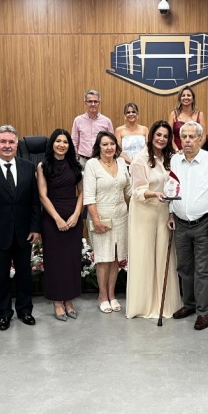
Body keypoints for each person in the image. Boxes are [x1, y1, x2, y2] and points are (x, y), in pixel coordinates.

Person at [0, 125, 42, 331]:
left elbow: (34, 201)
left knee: (24, 274)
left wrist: (35, 227)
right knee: (1, 276)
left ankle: (25, 310)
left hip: (24, 233)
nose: (7, 145)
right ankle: (4, 313)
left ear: (16, 145)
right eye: (3, 141)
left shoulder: (28, 167)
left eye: (11, 142)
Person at [167, 121, 208, 330]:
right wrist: (171, 213)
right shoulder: (175, 160)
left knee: (203, 270)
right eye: (184, 137)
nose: (188, 141)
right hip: (180, 223)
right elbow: (172, 188)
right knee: (184, 267)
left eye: (192, 137)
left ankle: (204, 311)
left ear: (200, 139)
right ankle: (189, 305)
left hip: (203, 222)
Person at [125, 121, 183, 319]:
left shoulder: (170, 159)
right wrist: (154, 194)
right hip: (144, 212)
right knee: (145, 256)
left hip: (164, 211)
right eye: (158, 135)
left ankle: (164, 303)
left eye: (165, 136)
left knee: (163, 255)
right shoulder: (139, 160)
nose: (161, 139)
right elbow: (137, 191)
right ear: (151, 136)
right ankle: (143, 305)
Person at [38, 129, 84, 321]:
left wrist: (76, 215)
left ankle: (69, 300)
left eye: (65, 142)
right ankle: (57, 302)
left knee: (71, 261)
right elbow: (42, 195)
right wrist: (57, 218)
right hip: (52, 219)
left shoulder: (76, 165)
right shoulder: (43, 165)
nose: (61, 145)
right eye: (58, 141)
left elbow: (82, 192)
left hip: (73, 218)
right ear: (52, 144)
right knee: (55, 261)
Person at [83, 131, 131, 313]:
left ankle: (112, 294)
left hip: (121, 217)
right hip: (101, 217)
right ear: (98, 147)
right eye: (105, 144)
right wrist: (96, 220)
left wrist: (144, 195)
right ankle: (102, 296)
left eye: (112, 144)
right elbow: (89, 196)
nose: (109, 147)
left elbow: (128, 190)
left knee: (116, 258)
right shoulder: (92, 165)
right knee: (104, 259)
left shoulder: (121, 163)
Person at [72, 89, 113, 167]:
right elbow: (74, 141)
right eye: (90, 101)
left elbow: (111, 142)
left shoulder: (107, 121)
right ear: (85, 103)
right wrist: (76, 158)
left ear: (99, 103)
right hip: (83, 161)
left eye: (95, 101)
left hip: (101, 159)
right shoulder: (78, 120)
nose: (93, 104)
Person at [168, 86, 205, 152]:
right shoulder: (173, 114)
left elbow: (203, 137)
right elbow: (169, 136)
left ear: (193, 99)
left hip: (195, 152)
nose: (186, 97)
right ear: (180, 99)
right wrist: (177, 151)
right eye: (183, 95)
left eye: (188, 95)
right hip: (176, 152)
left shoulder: (200, 114)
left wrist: (195, 150)